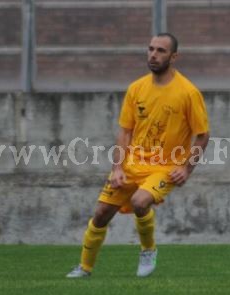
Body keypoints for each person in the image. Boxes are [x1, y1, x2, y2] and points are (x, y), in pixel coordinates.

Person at [66, 33, 210, 278]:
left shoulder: (188, 92)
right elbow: (125, 132)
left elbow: (203, 135)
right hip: (132, 165)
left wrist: (186, 168)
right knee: (101, 214)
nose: (154, 54)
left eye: (161, 51)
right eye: (151, 49)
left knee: (140, 202)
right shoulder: (136, 89)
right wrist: (118, 169)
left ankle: (148, 250)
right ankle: (85, 268)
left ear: (174, 56)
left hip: (164, 167)